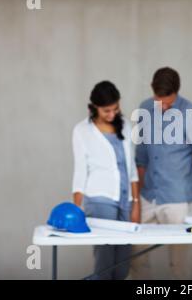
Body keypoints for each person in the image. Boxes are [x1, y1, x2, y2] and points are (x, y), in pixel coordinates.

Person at [131, 67, 192, 279]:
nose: (163, 106)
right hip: (148, 195)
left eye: (168, 103)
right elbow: (141, 158)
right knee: (135, 256)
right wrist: (135, 201)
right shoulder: (145, 109)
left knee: (178, 265)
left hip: (179, 199)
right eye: (159, 100)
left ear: (177, 93)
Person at [72, 80, 140, 280]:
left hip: (125, 201)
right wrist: (77, 209)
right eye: (106, 111)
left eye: (115, 109)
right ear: (94, 108)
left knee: (123, 264)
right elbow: (80, 172)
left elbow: (131, 167)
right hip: (99, 201)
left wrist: (136, 204)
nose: (112, 115)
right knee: (105, 262)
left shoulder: (126, 126)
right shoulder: (82, 131)